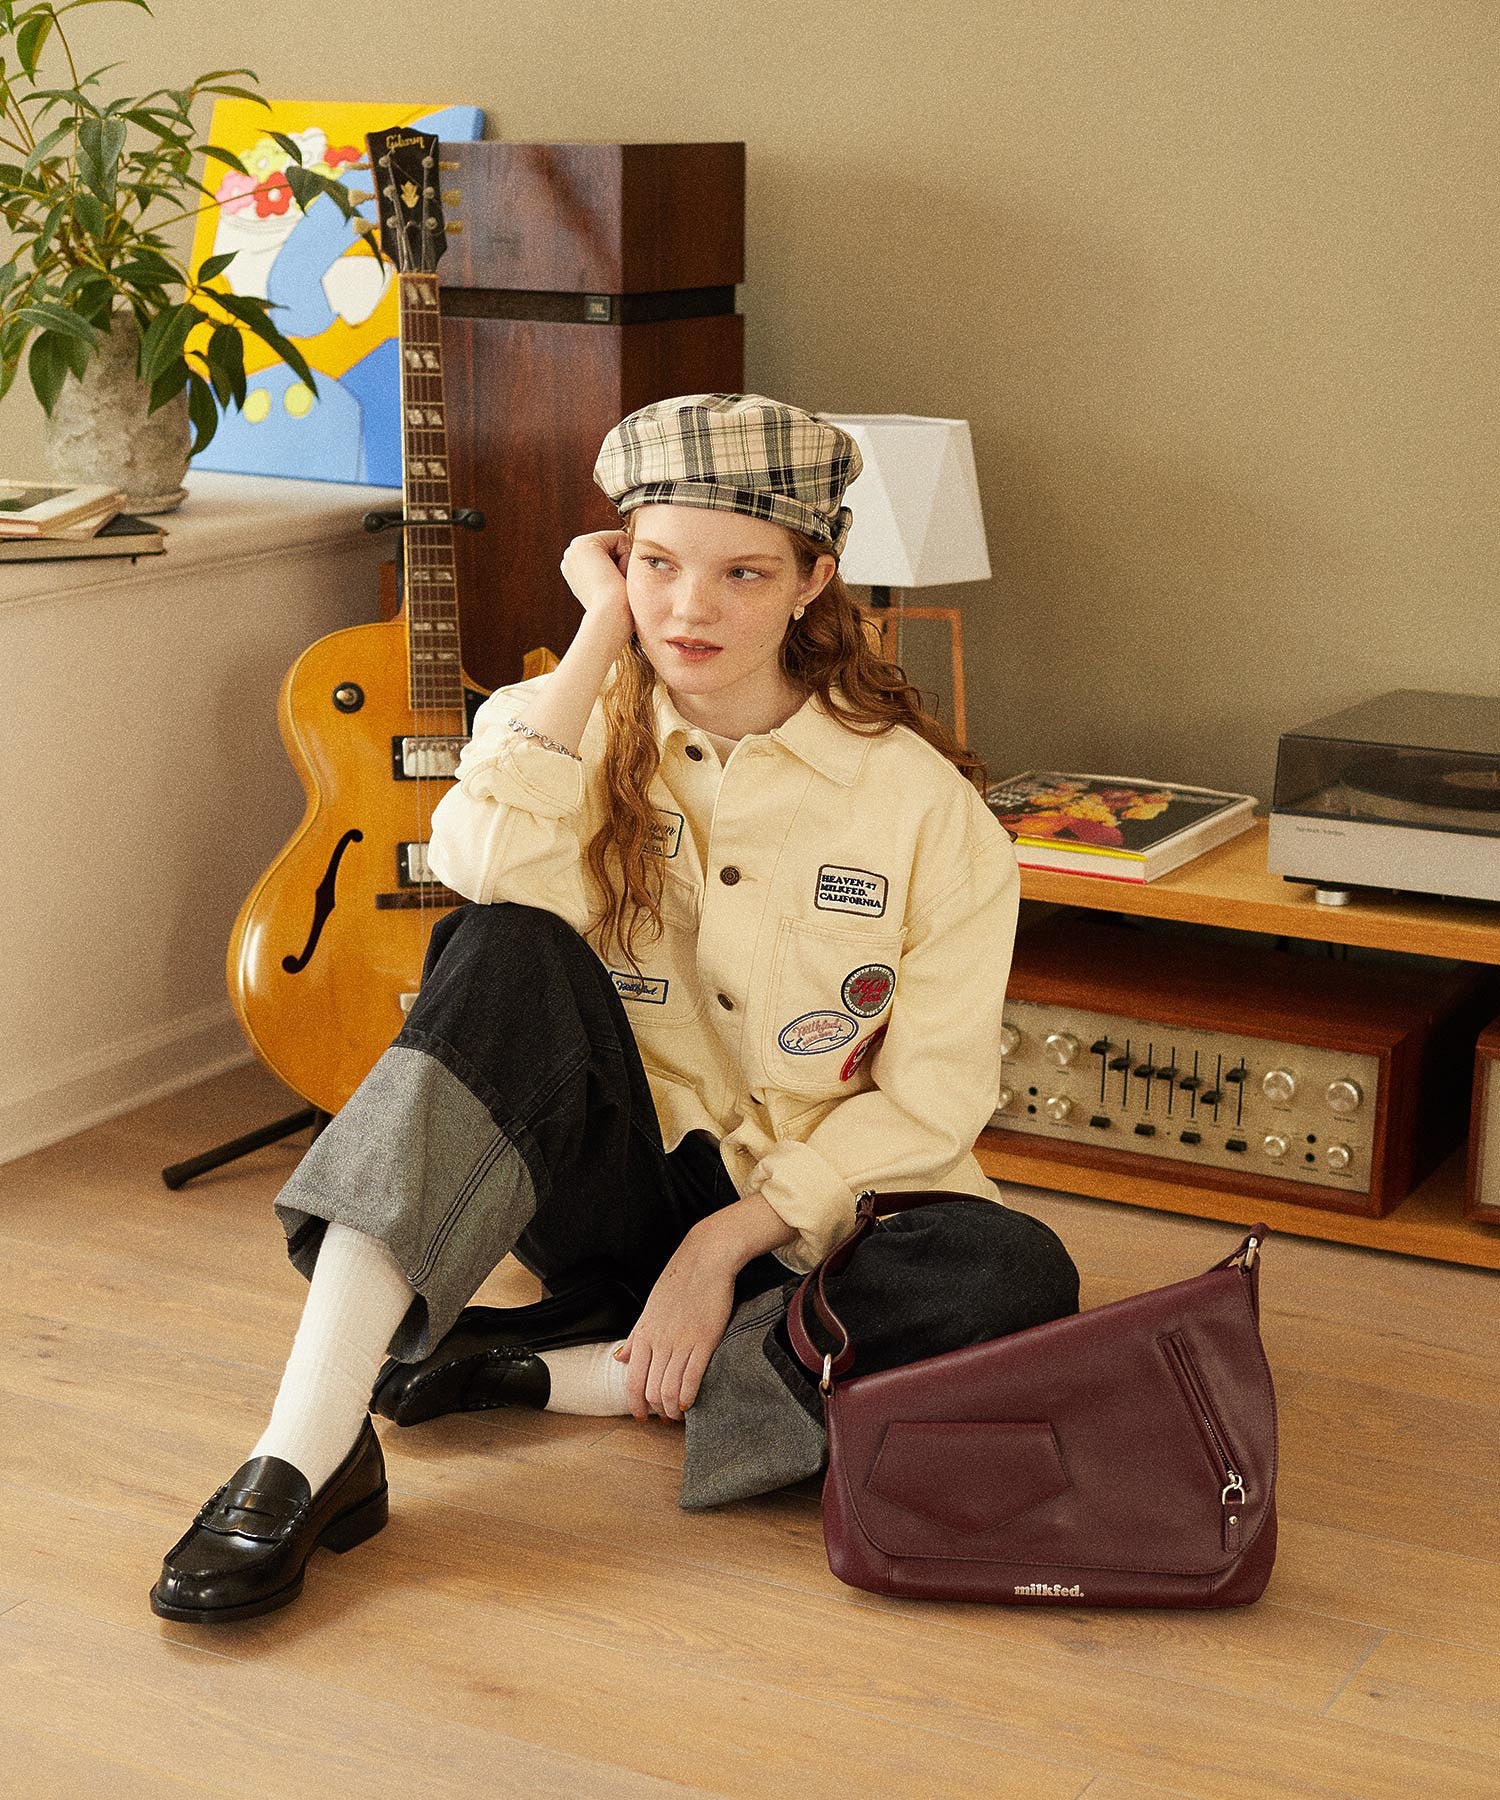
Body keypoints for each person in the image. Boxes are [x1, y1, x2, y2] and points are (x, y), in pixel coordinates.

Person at [150, 393, 1080, 1625]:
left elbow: (936, 1100)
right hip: (611, 1186)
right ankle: (306, 1446)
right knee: (502, 944)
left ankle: (560, 1370)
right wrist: (597, 634)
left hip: (811, 1234)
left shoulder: (927, 811)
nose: (690, 609)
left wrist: (721, 1245)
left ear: (815, 580)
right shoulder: (560, 727)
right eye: (655, 565)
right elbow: (479, 862)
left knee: (1017, 1273)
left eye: (743, 573)